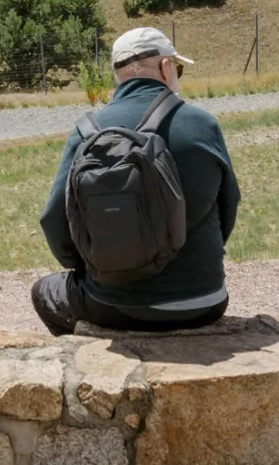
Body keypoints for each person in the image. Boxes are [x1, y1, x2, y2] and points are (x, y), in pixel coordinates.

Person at [32, 26, 240, 336]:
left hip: (113, 304)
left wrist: (99, 264)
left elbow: (55, 223)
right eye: (178, 68)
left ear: (118, 75)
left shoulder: (87, 132)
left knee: (43, 291)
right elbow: (228, 207)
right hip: (205, 302)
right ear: (166, 67)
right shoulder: (203, 125)